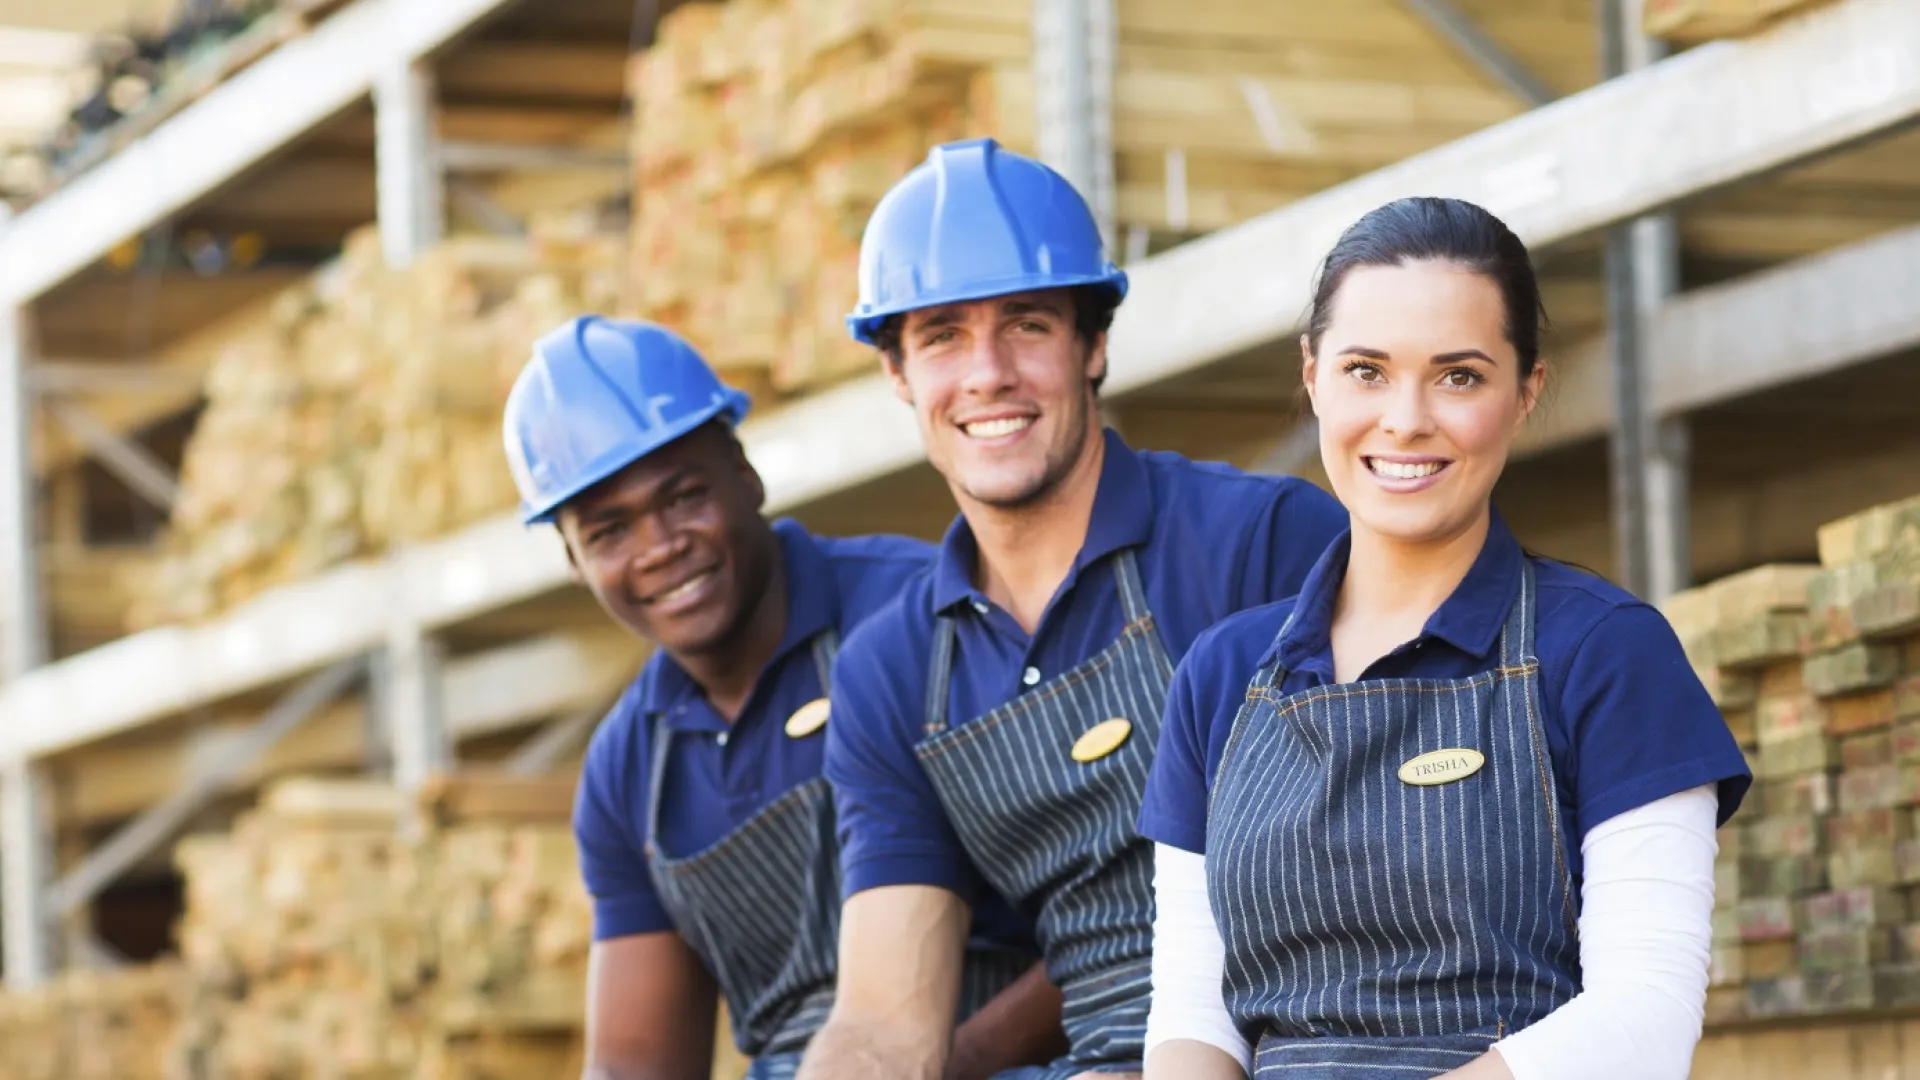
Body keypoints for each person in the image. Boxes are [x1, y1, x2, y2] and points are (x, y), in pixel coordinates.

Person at [1135, 197, 1753, 1080]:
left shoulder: (1607, 653)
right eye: (1366, 371)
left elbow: (1645, 1019)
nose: (1406, 419)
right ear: (1312, 377)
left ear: (1526, 391)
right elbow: (1196, 1014)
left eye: (1458, 376)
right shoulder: (1224, 673)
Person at [796, 137, 1350, 1080]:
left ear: (1093, 345)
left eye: (1026, 326)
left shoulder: (1260, 545)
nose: (987, 375)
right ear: (897, 374)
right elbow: (886, 1023)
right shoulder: (893, 672)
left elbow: (1383, 877)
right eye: (941, 337)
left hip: (1315, 1037)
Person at [502, 316, 1067, 1080]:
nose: (661, 546)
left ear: (745, 475)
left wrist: (941, 1064)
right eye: (609, 533)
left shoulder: (925, 619)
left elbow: (1121, 917)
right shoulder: (629, 769)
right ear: (573, 560)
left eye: (683, 497)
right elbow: (637, 1064)